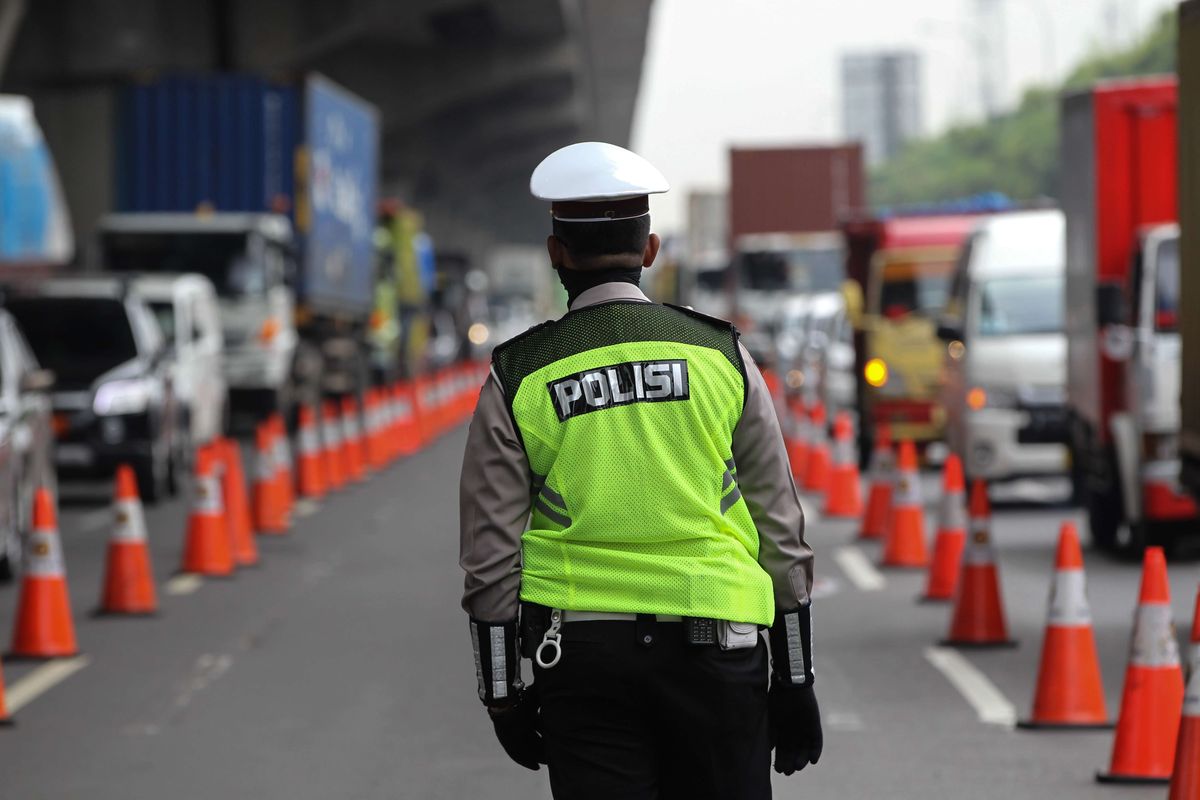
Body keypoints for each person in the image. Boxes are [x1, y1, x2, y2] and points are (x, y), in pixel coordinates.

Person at [459, 141, 821, 799]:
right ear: (650, 249)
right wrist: (795, 675)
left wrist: (502, 694)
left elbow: (489, 558)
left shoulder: (518, 375)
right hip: (721, 652)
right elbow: (780, 526)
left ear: (555, 253)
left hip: (583, 663)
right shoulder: (723, 355)